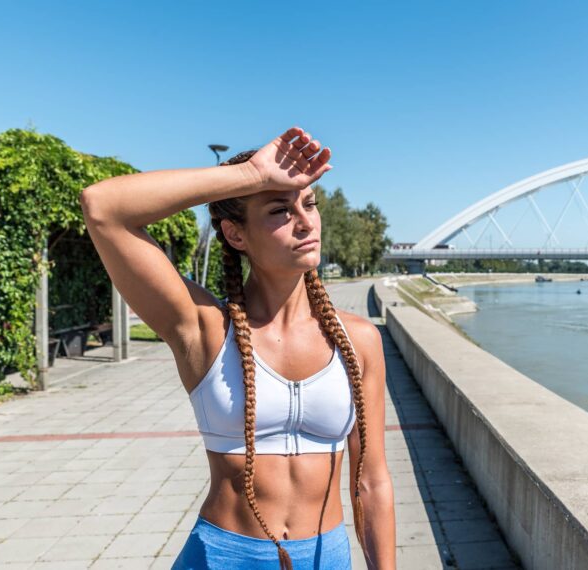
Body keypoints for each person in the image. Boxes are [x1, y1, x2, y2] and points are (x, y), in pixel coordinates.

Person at [80, 127, 395, 569]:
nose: (305, 222)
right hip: (224, 557)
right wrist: (249, 175)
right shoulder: (205, 329)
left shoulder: (358, 341)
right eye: (279, 210)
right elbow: (104, 207)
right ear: (236, 234)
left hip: (326, 557)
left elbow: (372, 482)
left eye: (308, 204)